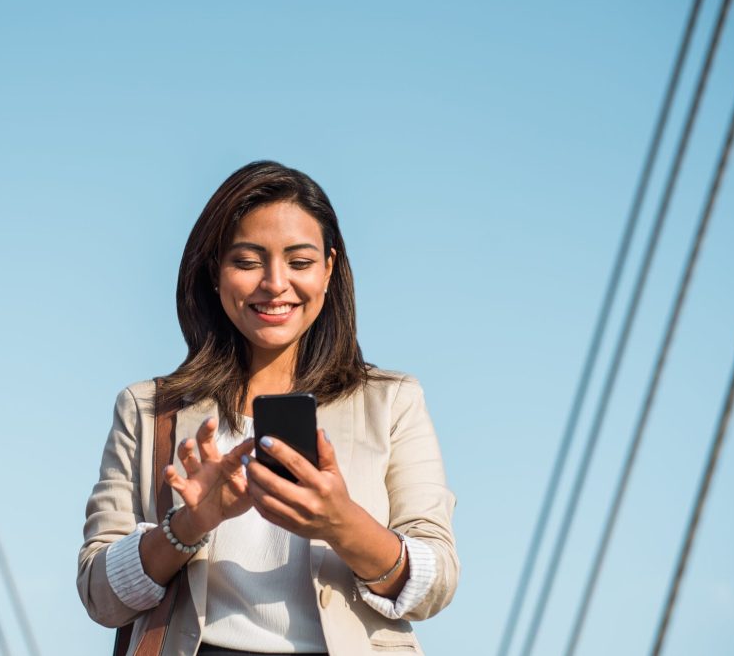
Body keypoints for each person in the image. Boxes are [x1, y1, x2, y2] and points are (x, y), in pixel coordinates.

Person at [78, 161, 459, 655]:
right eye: (248, 261)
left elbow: (436, 583)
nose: (275, 284)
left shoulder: (391, 401)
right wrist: (187, 526)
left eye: (299, 262)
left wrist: (340, 521)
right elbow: (99, 595)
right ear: (215, 272)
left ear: (328, 269)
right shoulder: (149, 409)